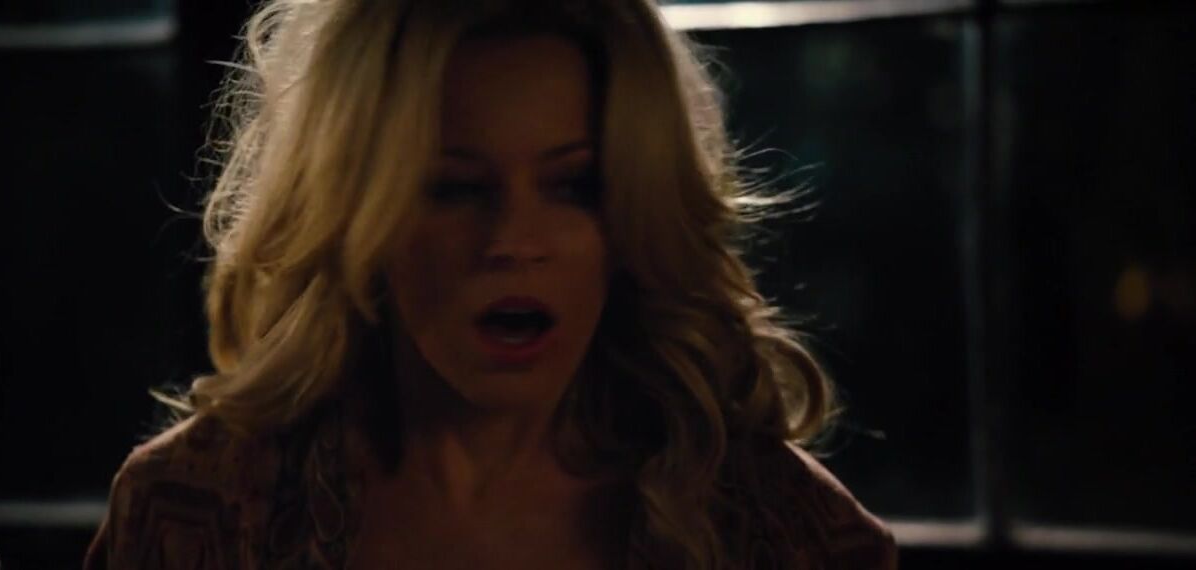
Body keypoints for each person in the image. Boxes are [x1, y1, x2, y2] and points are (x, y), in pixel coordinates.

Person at [84, 0, 896, 568]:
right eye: (455, 188)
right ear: (358, 208)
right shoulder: (199, 512)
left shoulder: (779, 530)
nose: (513, 243)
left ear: (633, 212)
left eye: (573, 186)